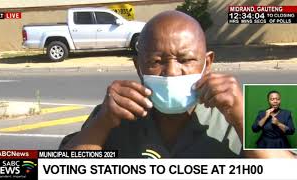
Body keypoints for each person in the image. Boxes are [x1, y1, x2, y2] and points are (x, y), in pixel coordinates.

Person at [59, 11, 295, 158]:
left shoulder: (252, 107)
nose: (171, 72)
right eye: (155, 61)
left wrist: (243, 119)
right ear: (138, 67)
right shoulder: (114, 112)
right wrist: (102, 124)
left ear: (208, 62)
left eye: (185, 60)